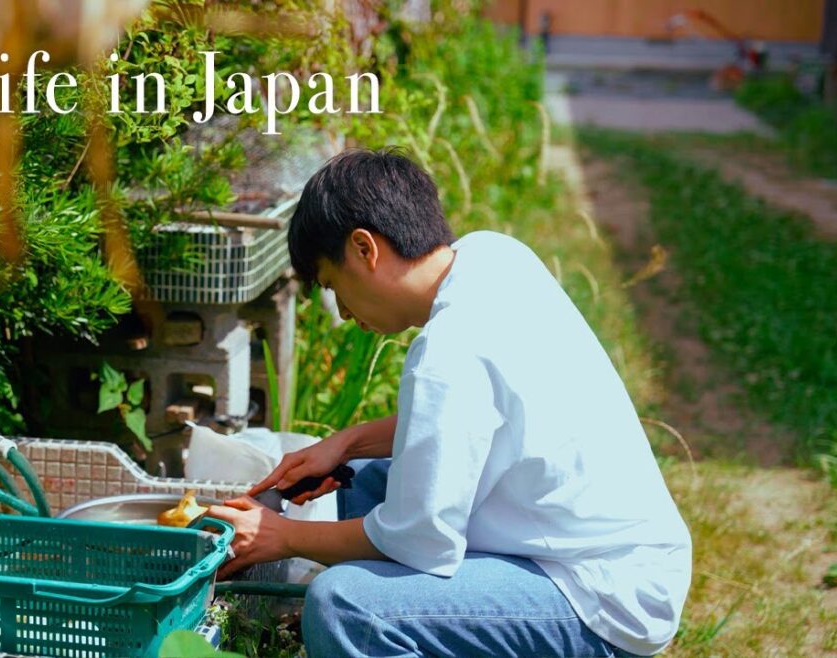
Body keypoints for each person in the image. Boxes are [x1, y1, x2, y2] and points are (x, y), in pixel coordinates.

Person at [204, 148, 692, 657]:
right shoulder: (492, 256)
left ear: (365, 249)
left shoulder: (449, 349)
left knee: (346, 607)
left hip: (600, 599)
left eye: (334, 286)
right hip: (623, 557)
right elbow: (470, 416)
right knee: (368, 483)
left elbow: (418, 540)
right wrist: (346, 445)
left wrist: (283, 536)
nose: (344, 312)